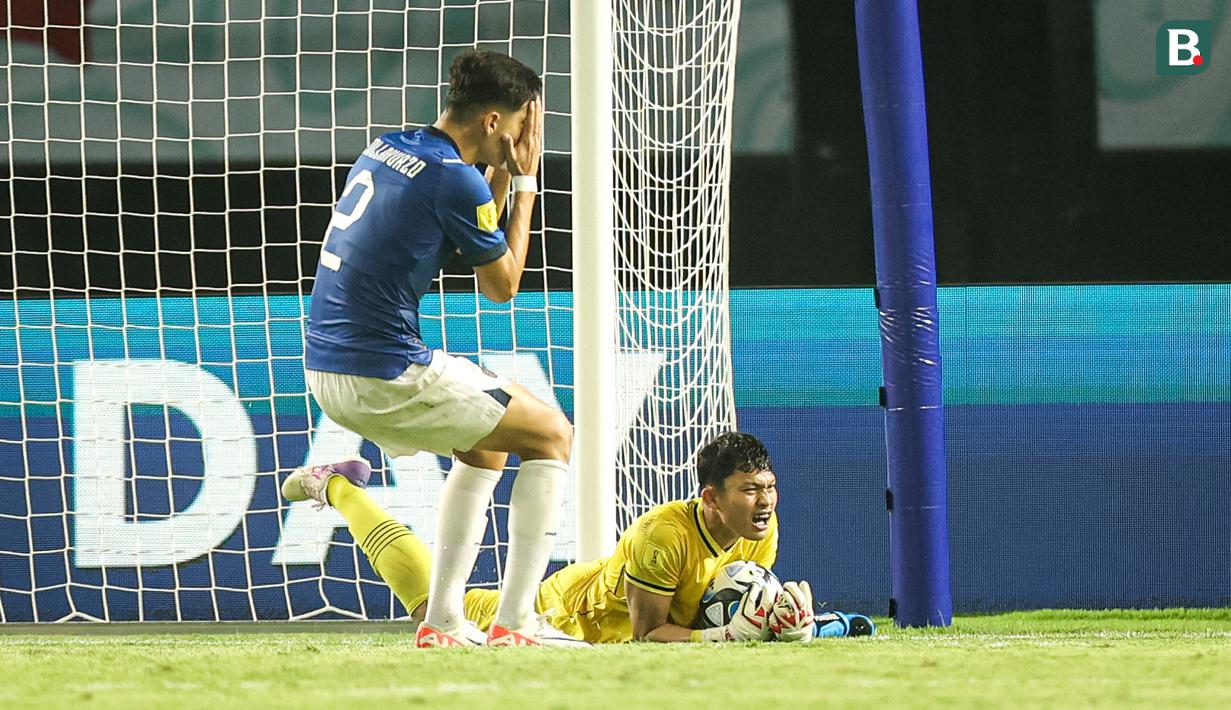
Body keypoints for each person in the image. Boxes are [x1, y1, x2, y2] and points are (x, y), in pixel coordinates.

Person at [298, 48, 574, 647]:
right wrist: (524, 181)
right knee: (553, 434)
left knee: (489, 449)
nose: (528, 140)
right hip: (382, 369)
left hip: (327, 364)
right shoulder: (456, 179)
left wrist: (497, 173)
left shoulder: (391, 146)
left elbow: (474, 230)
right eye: (524, 128)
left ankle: (445, 621)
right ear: (494, 123)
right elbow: (499, 286)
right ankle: (517, 623)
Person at [283, 431, 875, 643]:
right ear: (711, 498)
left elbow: (727, 602)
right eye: (750, 490)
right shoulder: (661, 536)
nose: (765, 500)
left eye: (768, 487)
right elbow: (650, 634)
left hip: (595, 612)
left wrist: (780, 613)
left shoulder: (759, 531)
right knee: (427, 604)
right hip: (559, 614)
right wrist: (730, 638)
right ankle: (335, 487)